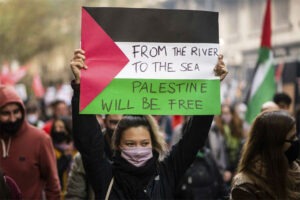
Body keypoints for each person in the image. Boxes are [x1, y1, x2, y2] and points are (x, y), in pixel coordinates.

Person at [70, 49, 228, 199]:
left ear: (153, 144)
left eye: (144, 143)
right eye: (130, 144)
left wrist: (211, 87)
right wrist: (80, 87)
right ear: (117, 145)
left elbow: (193, 139)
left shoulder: (166, 173)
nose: (138, 150)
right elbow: (89, 141)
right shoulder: (104, 176)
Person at [0, 85, 61, 199]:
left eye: (16, 112)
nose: (12, 118)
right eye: (6, 113)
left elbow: (53, 185)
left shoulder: (40, 139)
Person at [230, 110, 300, 199]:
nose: (296, 141)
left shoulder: (295, 169)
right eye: (292, 138)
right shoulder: (246, 187)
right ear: (273, 144)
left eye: (296, 136)